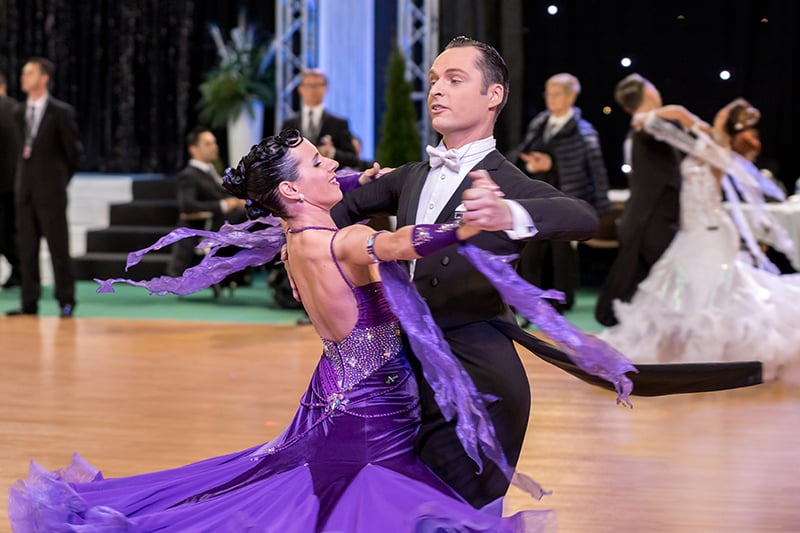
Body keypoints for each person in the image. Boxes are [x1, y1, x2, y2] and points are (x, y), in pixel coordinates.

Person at [8, 129, 563, 532]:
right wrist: (465, 225)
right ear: (294, 192)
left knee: (317, 497)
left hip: (335, 388)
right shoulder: (344, 242)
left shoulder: (293, 239)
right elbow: (399, 242)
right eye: (319, 162)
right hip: (373, 409)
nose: (334, 164)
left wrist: (358, 179)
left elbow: (326, 196)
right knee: (364, 507)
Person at [331, 36, 604, 509]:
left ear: (493, 95)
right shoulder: (411, 176)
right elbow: (338, 210)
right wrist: (310, 241)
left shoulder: (508, 183)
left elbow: (583, 217)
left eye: (455, 80)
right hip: (403, 375)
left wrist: (507, 213)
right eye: (435, 80)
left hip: (478, 385)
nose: (437, 89)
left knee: (451, 514)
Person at [598, 101, 800, 377]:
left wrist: (652, 116)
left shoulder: (717, 149)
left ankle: (715, 353)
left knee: (712, 290)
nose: (717, 113)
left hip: (710, 229)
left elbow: (678, 117)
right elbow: (679, 123)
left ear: (726, 122)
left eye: (722, 113)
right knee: (681, 287)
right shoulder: (708, 141)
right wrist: (659, 119)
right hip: (692, 228)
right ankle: (681, 351)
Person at [507, 73, 612, 313]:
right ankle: (530, 301)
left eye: (557, 94)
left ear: (571, 97)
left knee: (561, 253)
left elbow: (595, 170)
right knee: (530, 250)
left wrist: (600, 206)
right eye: (548, 94)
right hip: (536, 197)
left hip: (565, 198)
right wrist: (530, 164)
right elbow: (522, 152)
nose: (551, 99)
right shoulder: (540, 123)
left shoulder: (583, 131)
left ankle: (560, 301)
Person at [594, 73, 682, 327]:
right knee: (660, 279)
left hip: (645, 217)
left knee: (639, 283)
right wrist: (681, 117)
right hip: (651, 219)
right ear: (648, 93)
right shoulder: (647, 125)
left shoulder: (640, 127)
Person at [5, 57, 82, 318]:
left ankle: (66, 300)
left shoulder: (60, 112)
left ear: (44, 78)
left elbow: (73, 153)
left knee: (58, 248)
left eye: (29, 73)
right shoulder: (18, 112)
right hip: (24, 192)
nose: (23, 78)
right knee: (27, 250)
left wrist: (59, 181)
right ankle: (29, 301)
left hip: (51, 192)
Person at [168, 126, 247, 281]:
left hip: (227, 222)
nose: (214, 147)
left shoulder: (214, 172)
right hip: (209, 225)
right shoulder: (188, 175)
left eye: (214, 143)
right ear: (193, 149)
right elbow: (188, 206)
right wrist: (224, 205)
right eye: (208, 144)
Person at [280, 68, 361, 169]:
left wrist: (332, 152)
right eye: (309, 85)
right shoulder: (289, 123)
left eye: (318, 85)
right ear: (300, 89)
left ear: (326, 88)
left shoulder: (339, 123)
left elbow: (353, 159)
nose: (313, 90)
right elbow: (280, 154)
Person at [0, 72, 22, 289]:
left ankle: (20, 271)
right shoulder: (20, 110)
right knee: (11, 231)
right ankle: (20, 272)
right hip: (17, 182)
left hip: (5, 183)